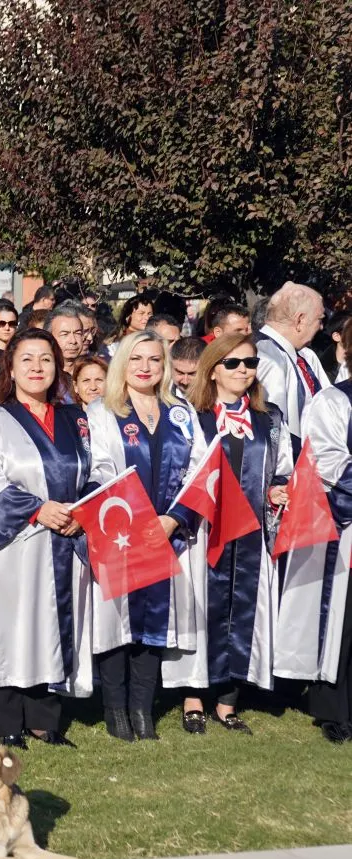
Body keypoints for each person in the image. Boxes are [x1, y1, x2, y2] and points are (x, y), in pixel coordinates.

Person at [0, 328, 91, 748]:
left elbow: (95, 472)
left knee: (49, 623)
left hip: (66, 536)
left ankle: (43, 718)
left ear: (58, 368)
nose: (37, 368)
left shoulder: (75, 419)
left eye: (46, 360)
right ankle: (5, 721)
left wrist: (82, 510)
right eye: (28, 360)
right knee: (11, 623)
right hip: (17, 540)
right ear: (11, 368)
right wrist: (39, 509)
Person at [85, 330, 207, 742]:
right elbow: (97, 467)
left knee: (153, 622)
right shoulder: (103, 411)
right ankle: (115, 710)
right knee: (118, 621)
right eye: (136, 359)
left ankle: (143, 709)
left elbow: (200, 469)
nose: (145, 367)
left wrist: (173, 518)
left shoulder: (180, 412)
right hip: (119, 531)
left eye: (154, 360)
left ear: (165, 365)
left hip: (167, 531)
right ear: (122, 362)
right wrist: (132, 515)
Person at [176, 336, 288, 736]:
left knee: (244, 609)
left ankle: (228, 699)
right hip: (203, 531)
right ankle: (193, 696)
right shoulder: (189, 415)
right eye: (233, 362)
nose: (243, 369)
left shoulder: (270, 419)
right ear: (213, 367)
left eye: (250, 363)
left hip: (251, 533)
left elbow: (282, 471)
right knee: (201, 608)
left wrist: (277, 489)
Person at [298, 333, 352, 743]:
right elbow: (329, 466)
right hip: (347, 525)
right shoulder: (335, 402)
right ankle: (338, 709)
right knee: (344, 621)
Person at [254, 282, 329, 450]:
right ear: (300, 320)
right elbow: (273, 428)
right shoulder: (267, 357)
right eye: (320, 319)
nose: (322, 326)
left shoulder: (302, 354)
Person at [44, 303, 88, 399]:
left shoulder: (92, 371)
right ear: (49, 337)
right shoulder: (42, 375)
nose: (73, 341)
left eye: (77, 333)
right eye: (65, 334)